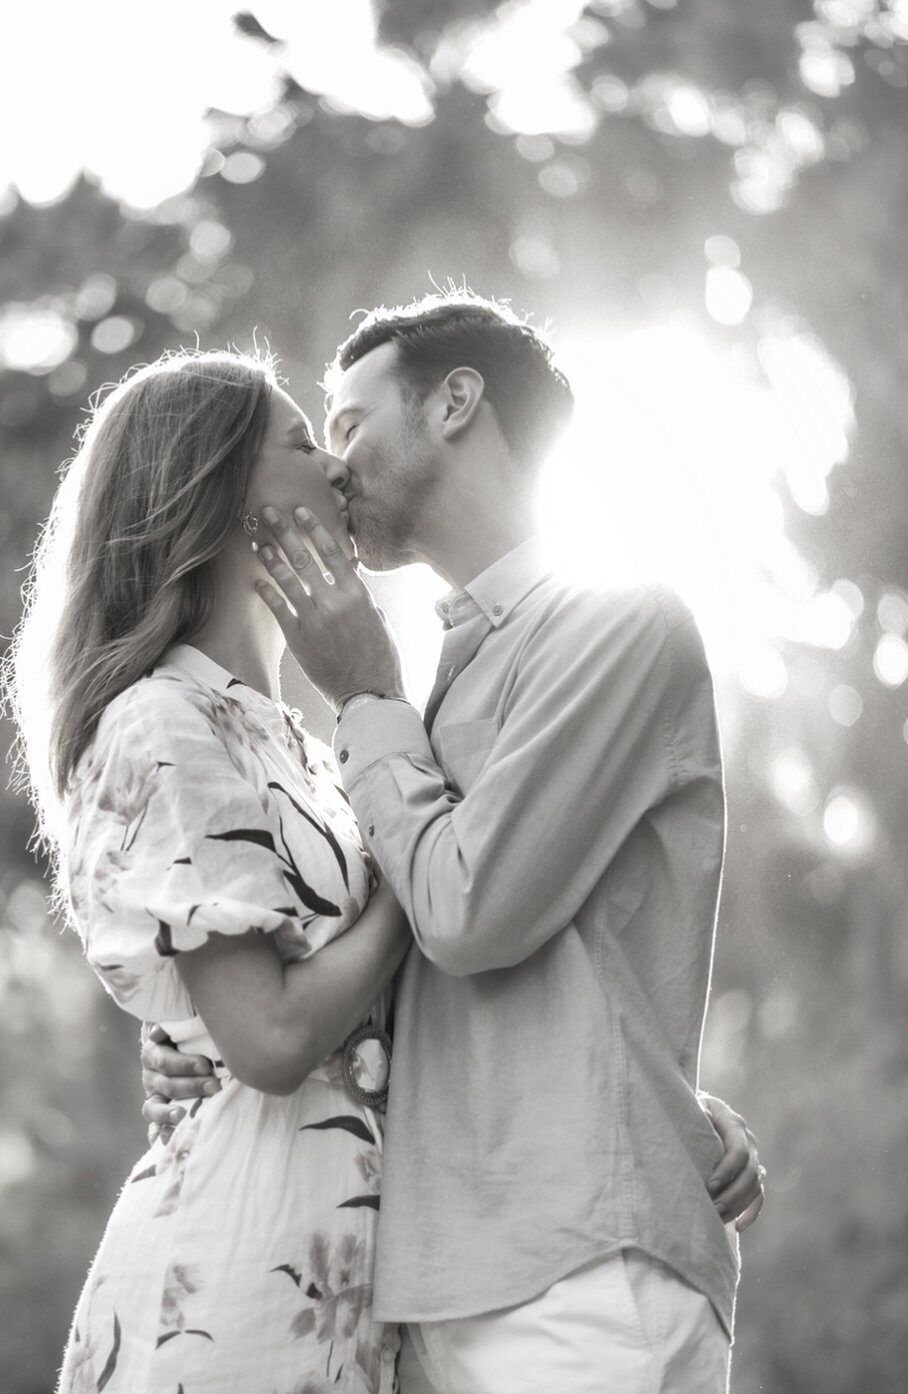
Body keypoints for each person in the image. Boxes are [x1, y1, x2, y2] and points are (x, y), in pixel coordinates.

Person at [144, 291, 765, 1393]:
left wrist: (367, 693)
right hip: (430, 1285)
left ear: (455, 403)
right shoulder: (439, 687)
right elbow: (431, 965)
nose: (332, 467)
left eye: (346, 422)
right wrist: (218, 1028)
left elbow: (468, 912)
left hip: (575, 1273)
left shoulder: (618, 622)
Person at [4, 350, 414, 1392]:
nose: (335, 466)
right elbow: (272, 1034)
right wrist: (418, 876)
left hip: (342, 1259)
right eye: (301, 441)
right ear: (221, 493)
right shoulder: (163, 718)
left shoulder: (290, 741)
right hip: (249, 1266)